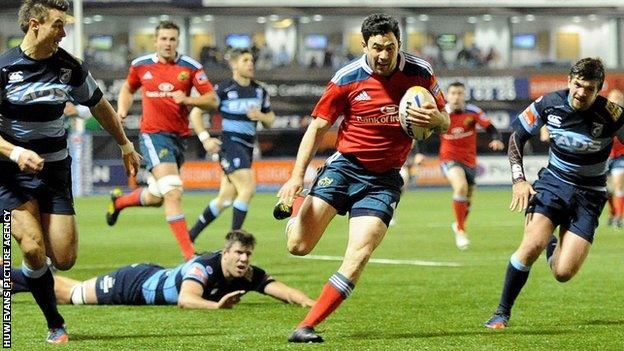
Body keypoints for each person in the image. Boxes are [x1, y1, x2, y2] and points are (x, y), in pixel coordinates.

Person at [275, 13, 449, 343]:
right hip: (344, 168)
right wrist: (295, 179)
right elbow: (317, 128)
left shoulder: (420, 73)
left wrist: (437, 117)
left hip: (383, 180)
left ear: (400, 44)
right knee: (298, 246)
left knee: (359, 254)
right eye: (377, 48)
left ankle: (306, 326)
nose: (384, 55)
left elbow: (444, 123)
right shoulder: (346, 78)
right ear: (364, 45)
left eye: (391, 47)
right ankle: (295, 223)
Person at [0, 0, 141, 343]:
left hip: (55, 173)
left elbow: (99, 104)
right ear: (35, 25)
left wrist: (124, 144)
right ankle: (55, 323)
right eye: (58, 25)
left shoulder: (69, 67)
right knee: (32, 247)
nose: (64, 34)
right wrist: (16, 151)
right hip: (9, 174)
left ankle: (22, 279)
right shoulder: (4, 69)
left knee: (63, 259)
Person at [484, 58, 624, 329]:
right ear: (569, 81)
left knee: (563, 273)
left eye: (590, 88)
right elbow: (517, 136)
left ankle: (552, 245)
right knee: (530, 247)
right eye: (578, 84)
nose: (581, 92)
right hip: (553, 185)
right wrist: (519, 180)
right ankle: (502, 313)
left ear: (599, 90)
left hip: (590, 195)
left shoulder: (612, 115)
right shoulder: (549, 104)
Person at [105, 21, 218, 261]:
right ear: (155, 41)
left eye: (172, 39)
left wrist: (187, 100)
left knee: (158, 196)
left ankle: (119, 202)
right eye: (164, 39)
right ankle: (190, 255)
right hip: (153, 135)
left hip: (178, 138)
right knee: (173, 192)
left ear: (178, 42)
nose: (168, 43)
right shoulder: (140, 65)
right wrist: (121, 111)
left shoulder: (190, 67)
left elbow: (212, 100)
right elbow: (127, 89)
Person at [11, 230, 315, 310]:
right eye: (238, 254)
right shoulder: (204, 267)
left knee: (70, 290)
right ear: (225, 253)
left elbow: (280, 289)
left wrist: (311, 304)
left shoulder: (247, 273)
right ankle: (12, 277)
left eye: (247, 255)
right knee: (70, 295)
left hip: (150, 277)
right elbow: (186, 299)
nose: (243, 260)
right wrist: (216, 306)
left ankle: (17, 279)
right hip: (131, 284)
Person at [188, 48, 274, 242]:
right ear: (234, 64)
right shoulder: (224, 89)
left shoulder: (260, 90)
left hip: (248, 147)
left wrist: (260, 116)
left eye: (251, 60)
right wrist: (205, 138)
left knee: (225, 198)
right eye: (245, 60)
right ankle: (233, 241)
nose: (250, 64)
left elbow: (271, 119)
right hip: (231, 145)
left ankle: (189, 236)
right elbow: (195, 113)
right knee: (248, 188)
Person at [439, 82, 504, 249]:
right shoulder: (440, 113)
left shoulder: (473, 112)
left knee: (467, 201)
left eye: (460, 93)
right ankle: (460, 230)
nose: (456, 96)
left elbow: (491, 128)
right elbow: (423, 131)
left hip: (470, 161)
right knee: (460, 187)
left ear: (464, 95)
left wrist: (496, 139)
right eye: (453, 93)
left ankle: (459, 223)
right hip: (449, 159)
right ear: (447, 95)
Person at [605, 89, 624, 227]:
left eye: (619, 98)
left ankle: (619, 216)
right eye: (613, 98)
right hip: (604, 157)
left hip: (620, 156)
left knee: (619, 186)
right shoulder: (601, 115)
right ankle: (612, 213)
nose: (616, 100)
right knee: (606, 189)